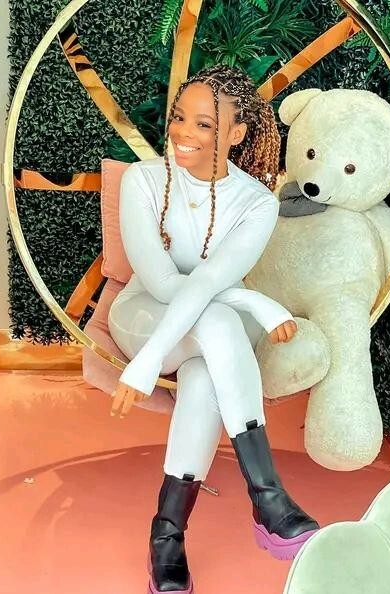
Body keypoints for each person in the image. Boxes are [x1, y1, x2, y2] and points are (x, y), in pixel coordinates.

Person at [107, 64, 319, 594]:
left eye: (204, 124)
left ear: (236, 134)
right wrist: (251, 299)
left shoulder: (257, 203)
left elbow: (207, 283)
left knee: (204, 374)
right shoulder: (143, 180)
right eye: (180, 117)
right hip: (144, 316)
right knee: (221, 315)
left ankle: (167, 534)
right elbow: (161, 284)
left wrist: (150, 363)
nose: (183, 133)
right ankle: (268, 497)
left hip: (207, 343)